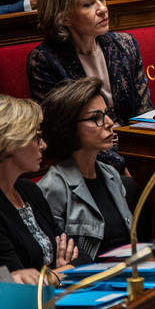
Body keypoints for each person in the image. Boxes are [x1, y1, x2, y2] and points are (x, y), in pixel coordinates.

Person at [26, 0, 152, 171]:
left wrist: (142, 159)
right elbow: (64, 136)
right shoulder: (44, 61)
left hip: (136, 152)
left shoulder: (125, 45)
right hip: (87, 164)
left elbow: (144, 115)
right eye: (88, 4)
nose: (103, 9)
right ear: (62, 17)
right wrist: (121, 167)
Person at [38, 78, 134, 260]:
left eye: (106, 113)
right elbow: (53, 259)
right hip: (92, 282)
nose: (109, 123)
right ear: (68, 128)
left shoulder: (111, 174)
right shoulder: (53, 188)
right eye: (95, 118)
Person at [0, 95, 91, 285]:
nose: (44, 146)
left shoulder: (28, 190)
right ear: (9, 144)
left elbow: (83, 258)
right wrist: (58, 273)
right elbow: (19, 282)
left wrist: (52, 275)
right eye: (36, 137)